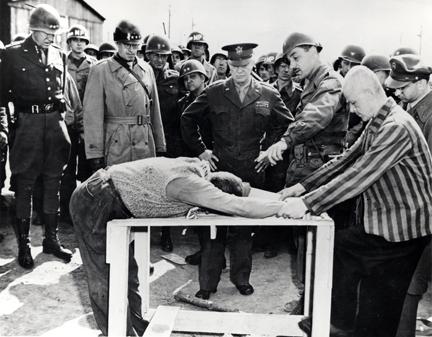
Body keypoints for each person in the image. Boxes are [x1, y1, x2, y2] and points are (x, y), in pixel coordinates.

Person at [280, 66, 432, 337]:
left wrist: (307, 203)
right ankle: (340, 321)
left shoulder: (396, 126)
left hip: (404, 229)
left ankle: (341, 324)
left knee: (380, 307)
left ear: (370, 92)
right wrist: (302, 186)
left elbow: (360, 175)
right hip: (386, 221)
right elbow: (346, 159)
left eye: (353, 102)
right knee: (343, 250)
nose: (351, 109)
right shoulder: (378, 120)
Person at [70, 156, 294, 336]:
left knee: (127, 272)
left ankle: (136, 326)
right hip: (97, 199)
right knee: (105, 274)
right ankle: (115, 332)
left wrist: (287, 199)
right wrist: (281, 208)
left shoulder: (200, 168)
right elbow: (239, 206)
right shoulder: (192, 186)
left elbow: (244, 195)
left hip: (109, 195)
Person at [181, 43, 294, 298]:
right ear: (229, 65)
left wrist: (269, 150)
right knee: (213, 228)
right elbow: (187, 119)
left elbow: (288, 125)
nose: (239, 70)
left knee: (244, 229)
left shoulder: (268, 94)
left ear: (252, 64)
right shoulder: (215, 91)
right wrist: (202, 151)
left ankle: (241, 278)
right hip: (220, 171)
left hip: (252, 170)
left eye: (244, 65)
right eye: (234, 66)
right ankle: (207, 284)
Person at [255, 32, 349, 299]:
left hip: (320, 174)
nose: (292, 65)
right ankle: (308, 301)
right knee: (303, 243)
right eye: (289, 60)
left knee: (318, 245)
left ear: (313, 51)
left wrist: (284, 142)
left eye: (296, 57)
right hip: (305, 170)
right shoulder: (309, 84)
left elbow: (315, 117)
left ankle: (318, 308)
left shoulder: (330, 83)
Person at [0, 4, 76, 268]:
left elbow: (62, 92)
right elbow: (1, 96)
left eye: (54, 35)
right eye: (46, 33)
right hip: (27, 125)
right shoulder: (13, 55)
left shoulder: (60, 55)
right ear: (32, 29)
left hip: (55, 125)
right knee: (25, 186)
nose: (50, 38)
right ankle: (24, 245)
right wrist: (5, 126)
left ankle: (51, 241)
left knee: (54, 182)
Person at [384, 54, 432, 337]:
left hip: (423, 211)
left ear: (424, 82)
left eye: (404, 86)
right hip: (414, 208)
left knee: (411, 282)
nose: (397, 91)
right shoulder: (411, 110)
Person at [83, 20, 166, 173]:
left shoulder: (146, 69)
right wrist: (95, 153)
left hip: (144, 142)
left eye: (135, 46)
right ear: (117, 44)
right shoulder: (101, 70)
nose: (131, 50)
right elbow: (92, 116)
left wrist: (160, 145)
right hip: (117, 143)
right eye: (126, 45)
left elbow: (155, 112)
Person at [260, 53, 302, 258]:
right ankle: (263, 238)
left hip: (288, 150)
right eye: (281, 66)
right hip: (266, 147)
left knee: (282, 191)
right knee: (263, 190)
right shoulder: (264, 91)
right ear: (275, 69)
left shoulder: (300, 94)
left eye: (288, 65)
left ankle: (277, 240)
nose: (286, 69)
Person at [145, 34, 181, 252]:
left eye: (163, 56)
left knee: (168, 185)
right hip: (147, 137)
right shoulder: (141, 74)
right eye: (155, 55)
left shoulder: (175, 78)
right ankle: (146, 231)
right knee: (148, 184)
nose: (159, 60)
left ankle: (167, 232)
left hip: (171, 139)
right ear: (148, 55)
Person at [60, 24, 96, 224]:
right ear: (69, 42)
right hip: (67, 122)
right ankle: (65, 211)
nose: (79, 44)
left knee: (88, 168)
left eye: (83, 40)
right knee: (66, 169)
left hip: (89, 124)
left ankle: (86, 211)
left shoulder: (94, 64)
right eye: (75, 40)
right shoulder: (61, 62)